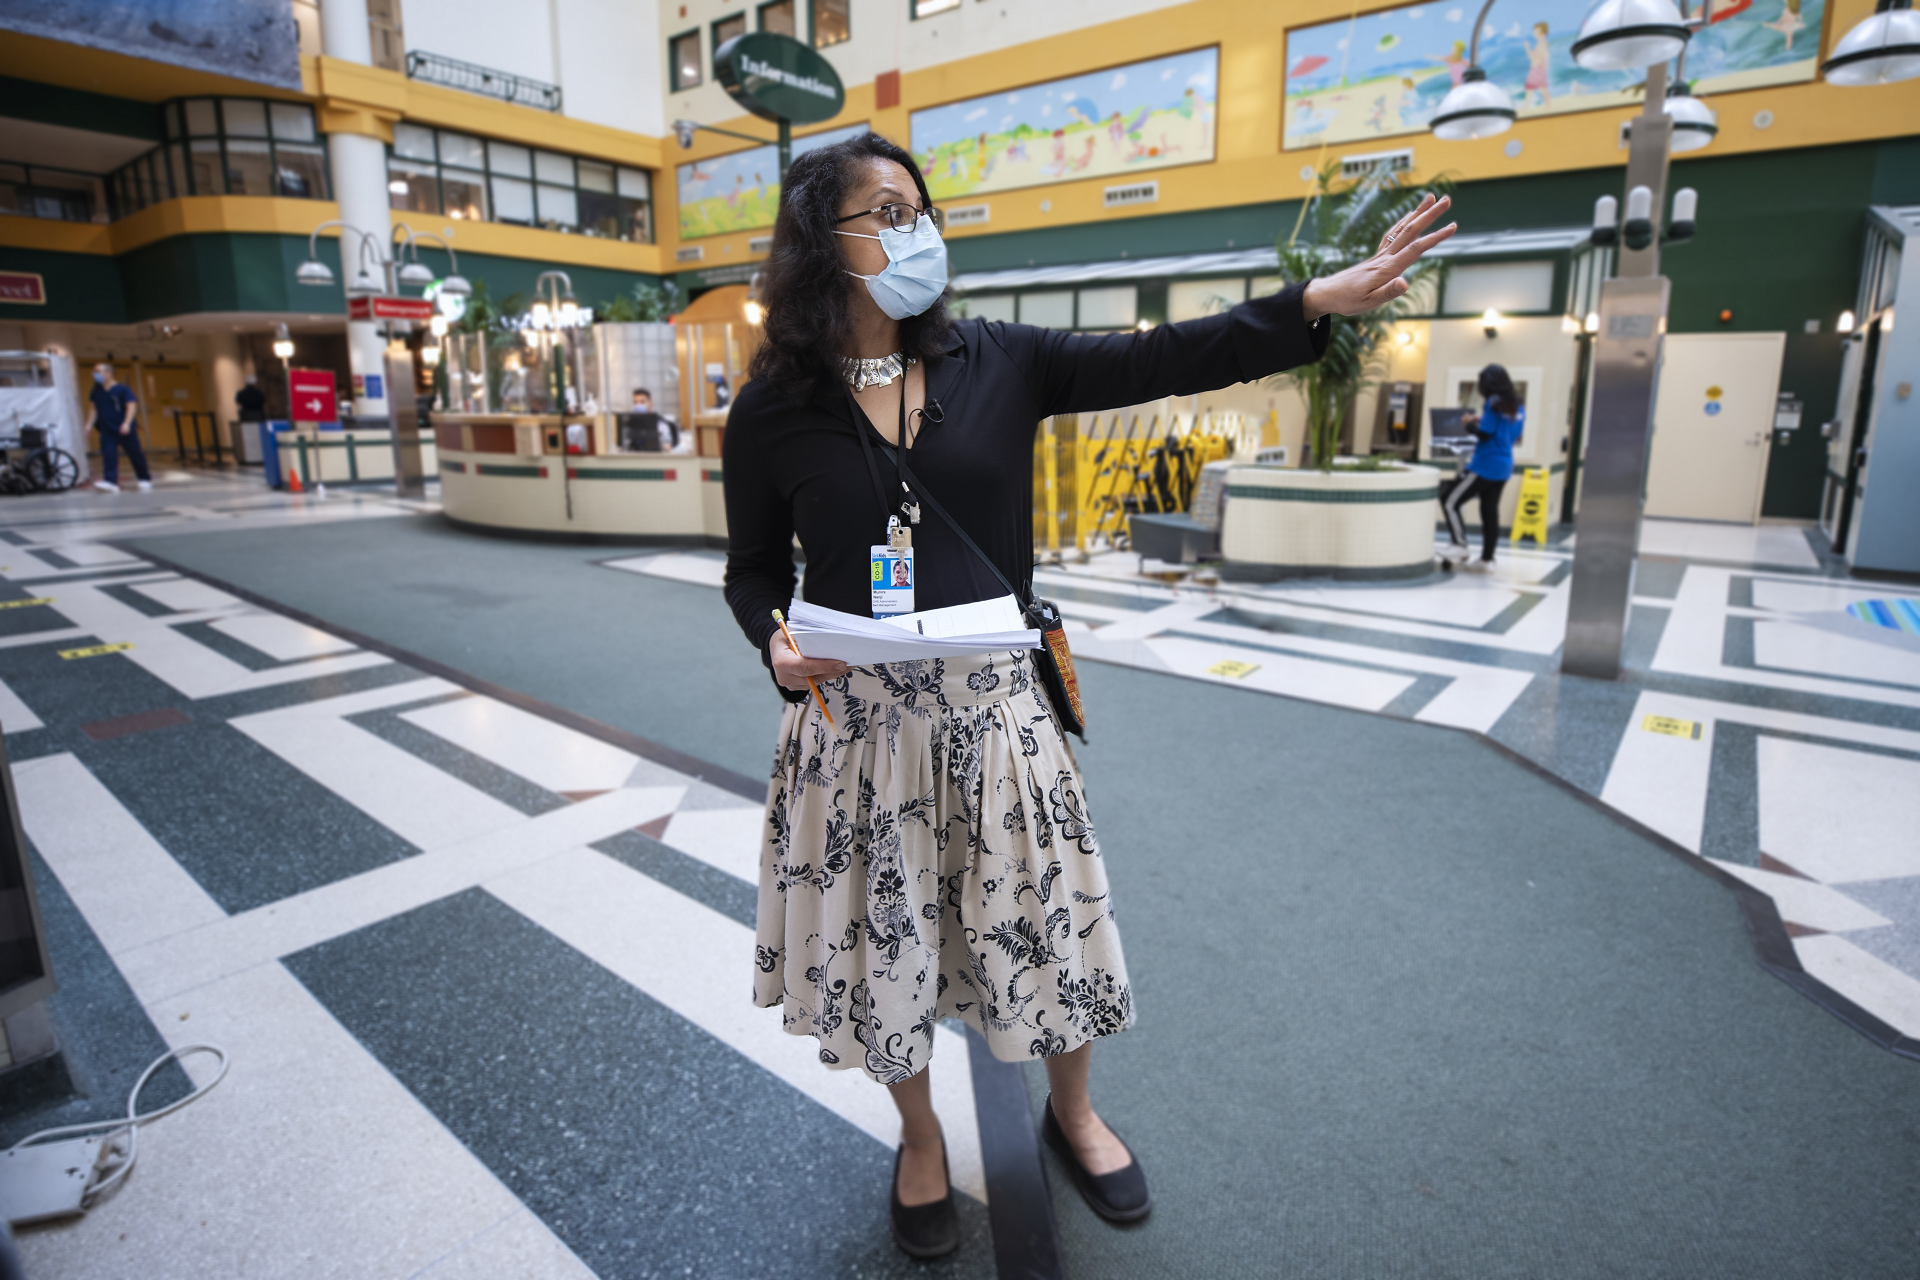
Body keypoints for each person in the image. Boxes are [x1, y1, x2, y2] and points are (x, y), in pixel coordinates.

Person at [722, 131, 1455, 1260]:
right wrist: (772, 639)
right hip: (859, 735)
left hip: (1000, 719)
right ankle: (920, 1137)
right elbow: (754, 569)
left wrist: (1313, 299)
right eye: (885, 211)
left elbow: (1162, 353)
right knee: (888, 948)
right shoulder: (772, 410)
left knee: (1054, 937)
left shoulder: (1000, 358)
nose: (916, 232)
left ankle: (1074, 1110)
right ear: (823, 240)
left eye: (922, 211)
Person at [1440, 363, 1525, 571]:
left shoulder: (1492, 402)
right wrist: (1481, 419)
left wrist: (1468, 425)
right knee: (1489, 511)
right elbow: (1510, 432)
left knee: (1449, 499)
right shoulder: (1516, 404)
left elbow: (1485, 434)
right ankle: (1486, 560)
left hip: (1485, 464)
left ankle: (1460, 545)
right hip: (1504, 465)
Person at [84, 363, 151, 493]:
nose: (96, 375)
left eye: (98, 371)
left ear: (109, 373)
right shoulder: (96, 391)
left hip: (124, 428)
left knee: (135, 454)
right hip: (107, 429)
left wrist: (126, 423)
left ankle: (144, 478)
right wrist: (89, 424)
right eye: (94, 372)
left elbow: (131, 406)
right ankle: (111, 482)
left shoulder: (123, 389)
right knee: (109, 455)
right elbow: (93, 409)